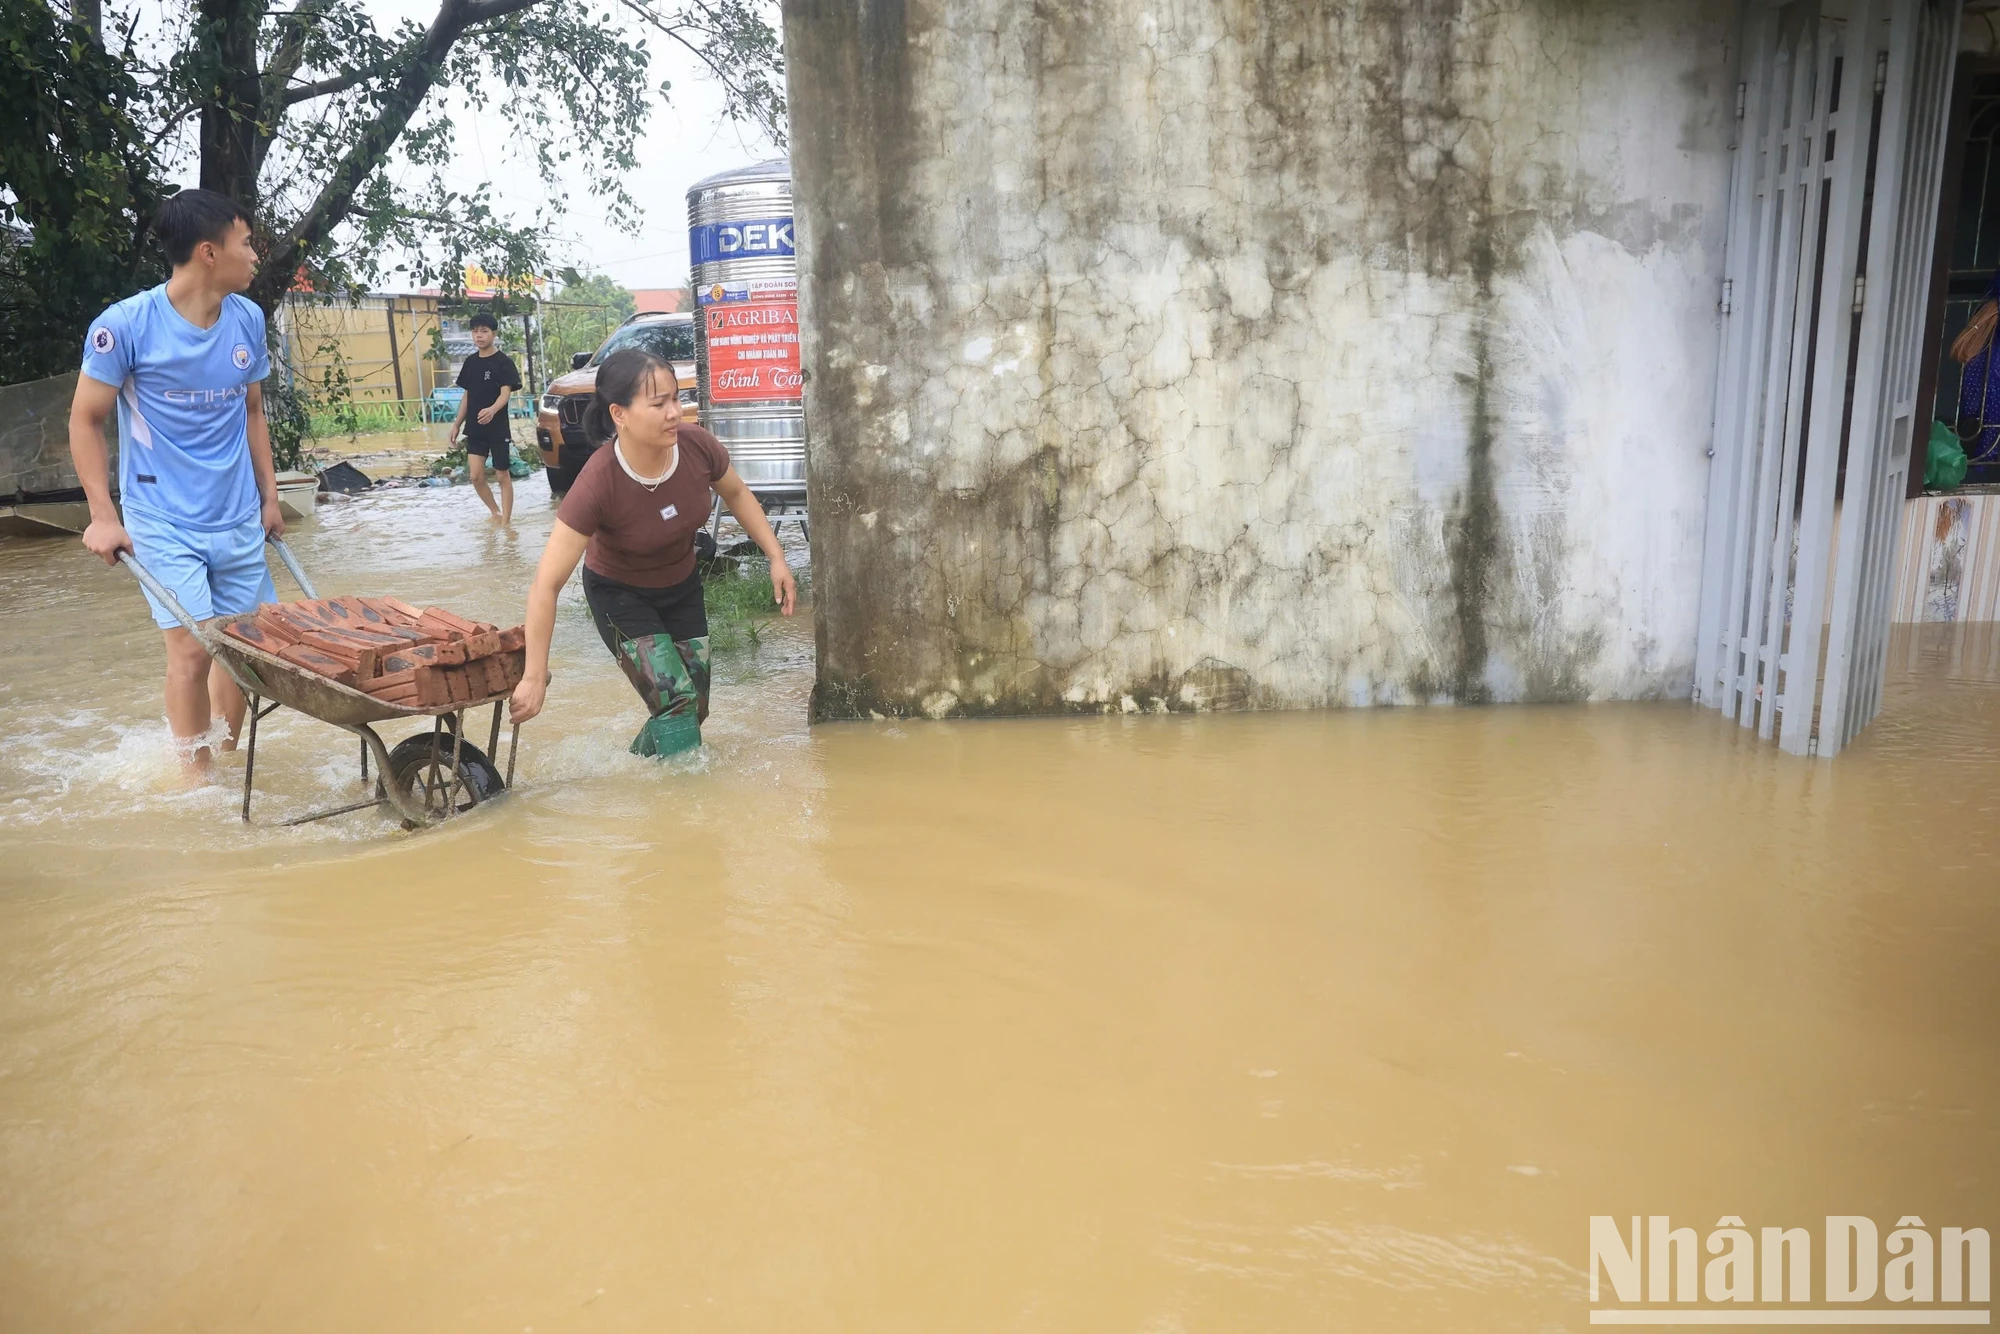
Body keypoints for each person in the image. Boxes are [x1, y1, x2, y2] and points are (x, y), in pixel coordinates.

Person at [68, 188, 285, 779]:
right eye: (247, 243)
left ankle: (232, 766)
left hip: (237, 513)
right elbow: (85, 420)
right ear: (210, 253)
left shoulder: (247, 318)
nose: (256, 255)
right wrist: (103, 516)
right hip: (163, 518)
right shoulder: (126, 325)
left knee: (241, 647)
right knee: (193, 648)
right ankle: (197, 782)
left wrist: (269, 498)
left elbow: (252, 412)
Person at [508, 346, 797, 755]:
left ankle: (636, 767)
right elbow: (546, 583)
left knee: (692, 708)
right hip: (619, 594)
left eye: (676, 399)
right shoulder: (598, 482)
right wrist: (535, 676)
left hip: (681, 584)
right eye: (659, 403)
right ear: (619, 414)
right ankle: (685, 806)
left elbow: (736, 492)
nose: (674, 412)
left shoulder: (697, 447)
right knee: (676, 702)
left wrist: (775, 556)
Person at [448, 312, 522, 523]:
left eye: (484, 331)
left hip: (497, 428)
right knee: (475, 476)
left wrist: (492, 410)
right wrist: (456, 424)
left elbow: (505, 393)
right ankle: (495, 512)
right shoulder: (470, 363)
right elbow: (467, 395)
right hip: (475, 428)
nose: (479, 336)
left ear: (493, 334)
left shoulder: (503, 362)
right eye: (475, 331)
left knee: (501, 475)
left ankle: (507, 522)